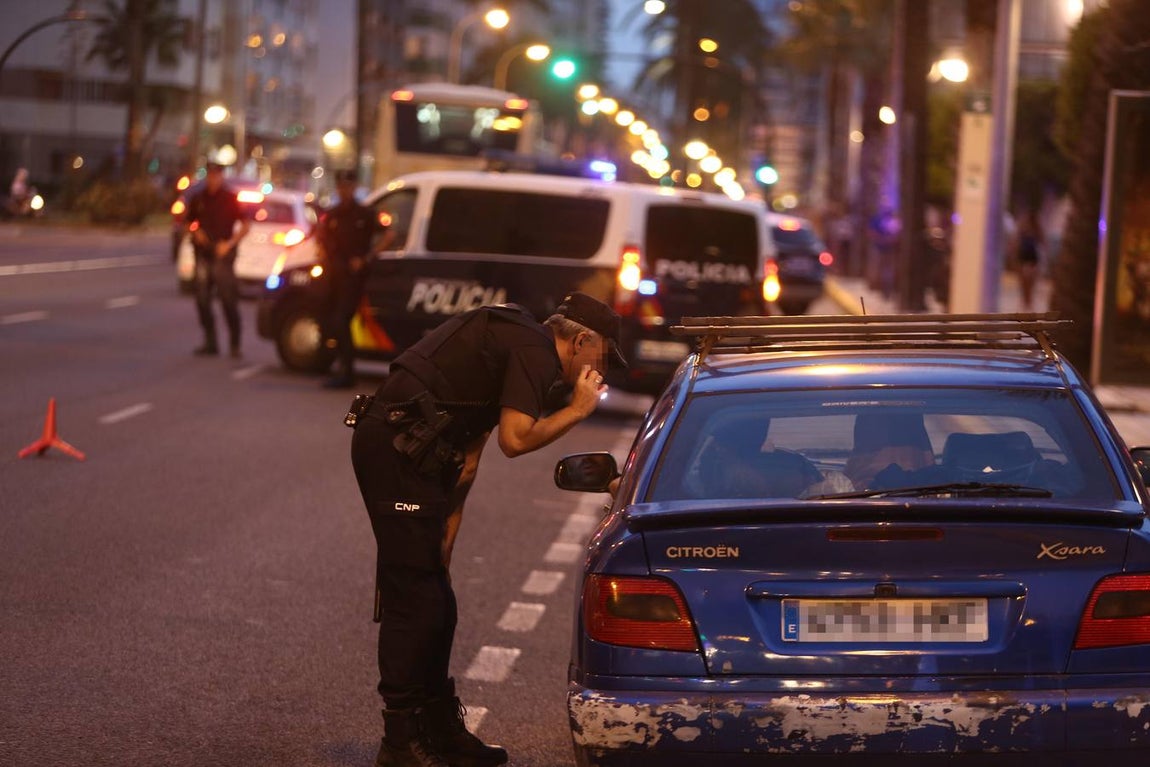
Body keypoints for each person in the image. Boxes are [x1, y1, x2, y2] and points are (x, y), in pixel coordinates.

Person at [349, 292, 625, 767]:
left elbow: (470, 454)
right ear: (580, 340)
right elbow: (514, 440)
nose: (601, 371)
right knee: (413, 596)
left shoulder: (520, 340)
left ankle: (438, 729)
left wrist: (448, 534)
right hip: (392, 449)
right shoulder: (535, 354)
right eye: (601, 356)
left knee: (439, 598)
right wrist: (578, 410)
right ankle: (399, 741)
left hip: (418, 455)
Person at [317, 169, 386, 388]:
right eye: (341, 187)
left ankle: (348, 372)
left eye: (348, 186)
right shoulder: (334, 214)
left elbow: (388, 234)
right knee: (331, 321)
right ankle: (339, 366)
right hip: (333, 276)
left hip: (353, 278)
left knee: (341, 320)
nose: (344, 190)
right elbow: (322, 237)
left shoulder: (364, 213)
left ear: (354, 188)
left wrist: (367, 258)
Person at [185, 162, 251, 357]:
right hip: (203, 253)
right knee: (202, 299)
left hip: (223, 254)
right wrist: (196, 232)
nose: (213, 179)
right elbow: (189, 221)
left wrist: (229, 244)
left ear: (222, 177)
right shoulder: (199, 198)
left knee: (228, 300)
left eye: (216, 175)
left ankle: (235, 343)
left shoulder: (230, 199)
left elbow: (246, 225)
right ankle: (210, 341)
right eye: (210, 175)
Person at [1013, 209, 1043, 312]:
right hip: (1025, 261)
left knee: (1028, 285)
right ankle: (1026, 305)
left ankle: (1028, 305)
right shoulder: (1024, 230)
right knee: (1025, 285)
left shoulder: (1035, 230)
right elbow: (1017, 245)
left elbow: (1042, 244)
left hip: (1031, 261)